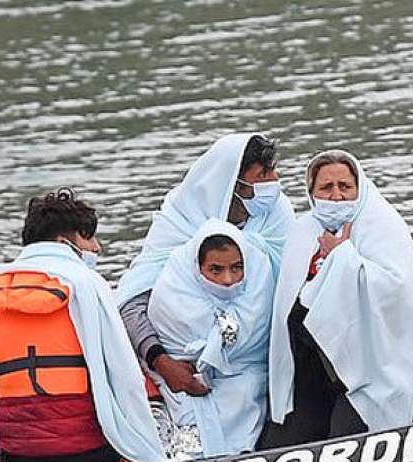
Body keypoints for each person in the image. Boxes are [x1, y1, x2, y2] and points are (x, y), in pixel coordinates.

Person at [263, 150, 413, 447]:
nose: (336, 196)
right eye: (326, 188)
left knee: (345, 441)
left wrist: (341, 258)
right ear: (311, 193)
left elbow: (394, 289)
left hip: (373, 371)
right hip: (314, 367)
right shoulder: (303, 232)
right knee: (282, 443)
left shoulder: (381, 224)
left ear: (359, 188)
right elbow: (287, 303)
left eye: (345, 187)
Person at [0, 189, 167, 462]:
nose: (96, 247)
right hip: (85, 454)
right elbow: (125, 378)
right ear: (64, 242)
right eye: (88, 237)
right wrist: (146, 453)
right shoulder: (85, 283)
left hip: (20, 459)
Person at [117, 133, 293, 399]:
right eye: (262, 176)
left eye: (273, 172)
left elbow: (295, 285)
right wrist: (163, 363)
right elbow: (132, 306)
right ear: (230, 184)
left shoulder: (275, 215)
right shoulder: (180, 222)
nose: (274, 182)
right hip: (182, 369)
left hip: (262, 363)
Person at [147, 219, 274, 458]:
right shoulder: (174, 289)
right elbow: (173, 341)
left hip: (246, 377)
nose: (227, 279)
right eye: (216, 270)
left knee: (246, 394)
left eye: (236, 268)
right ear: (197, 268)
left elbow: (253, 343)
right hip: (182, 378)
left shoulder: (259, 285)